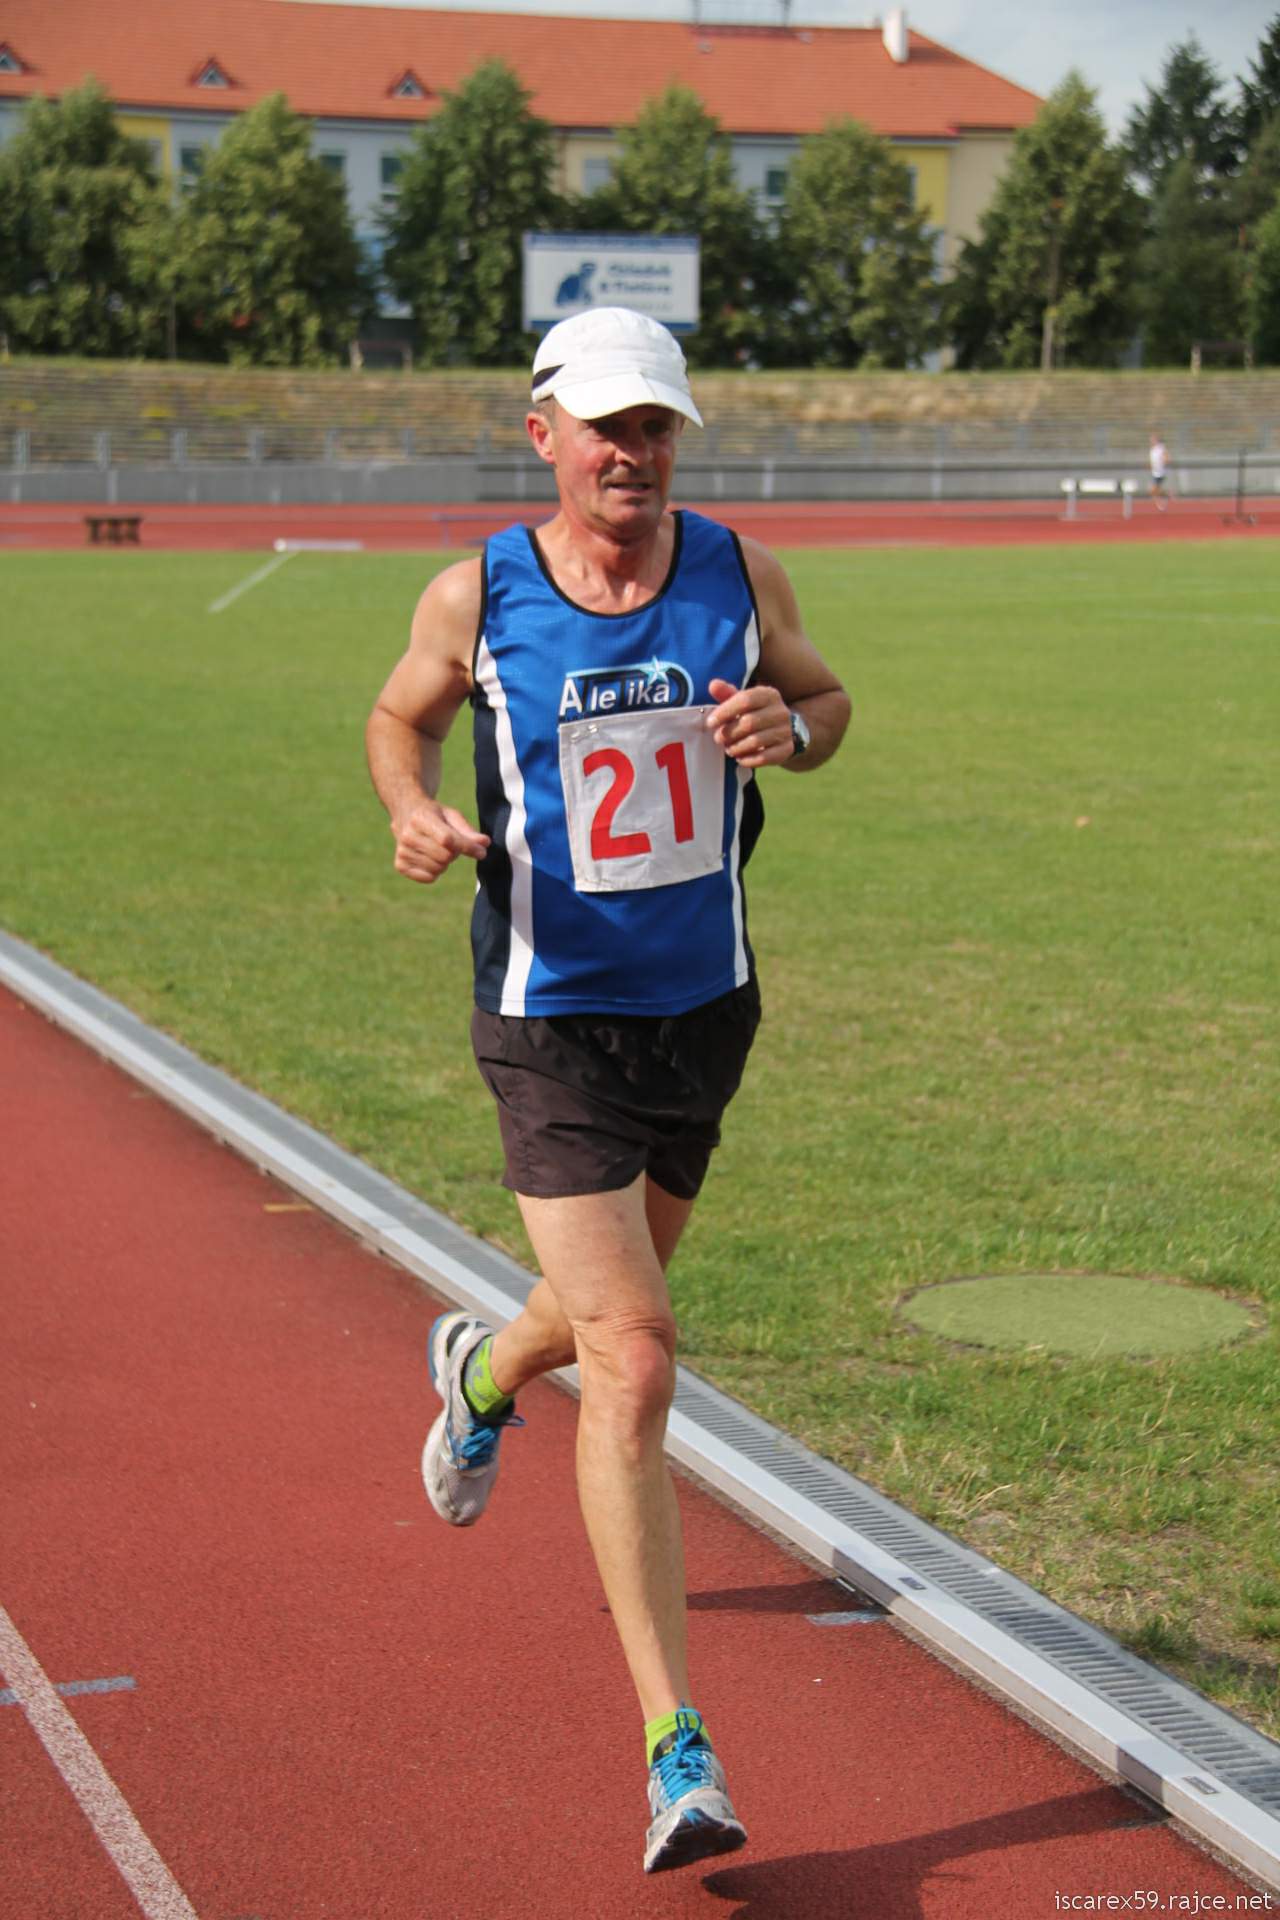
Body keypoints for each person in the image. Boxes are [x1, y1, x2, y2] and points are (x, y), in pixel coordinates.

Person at [365, 306, 851, 1874]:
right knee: (635, 1357)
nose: (632, 452)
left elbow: (829, 703)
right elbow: (398, 719)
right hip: (550, 1022)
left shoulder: (738, 572)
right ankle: (675, 1751)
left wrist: (795, 726)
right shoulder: (478, 593)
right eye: (606, 427)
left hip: (702, 1013)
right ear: (545, 436)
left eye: (655, 427)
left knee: (591, 1325)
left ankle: (480, 1379)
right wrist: (411, 805)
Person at [1149, 430, 1169, 510]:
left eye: (1153, 440)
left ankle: (1167, 495)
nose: (1151, 441)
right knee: (1154, 491)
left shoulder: (1161, 448)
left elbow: (1166, 457)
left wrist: (1164, 461)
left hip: (1160, 472)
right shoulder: (1152, 449)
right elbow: (1152, 460)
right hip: (1154, 472)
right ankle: (1164, 497)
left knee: (1153, 490)